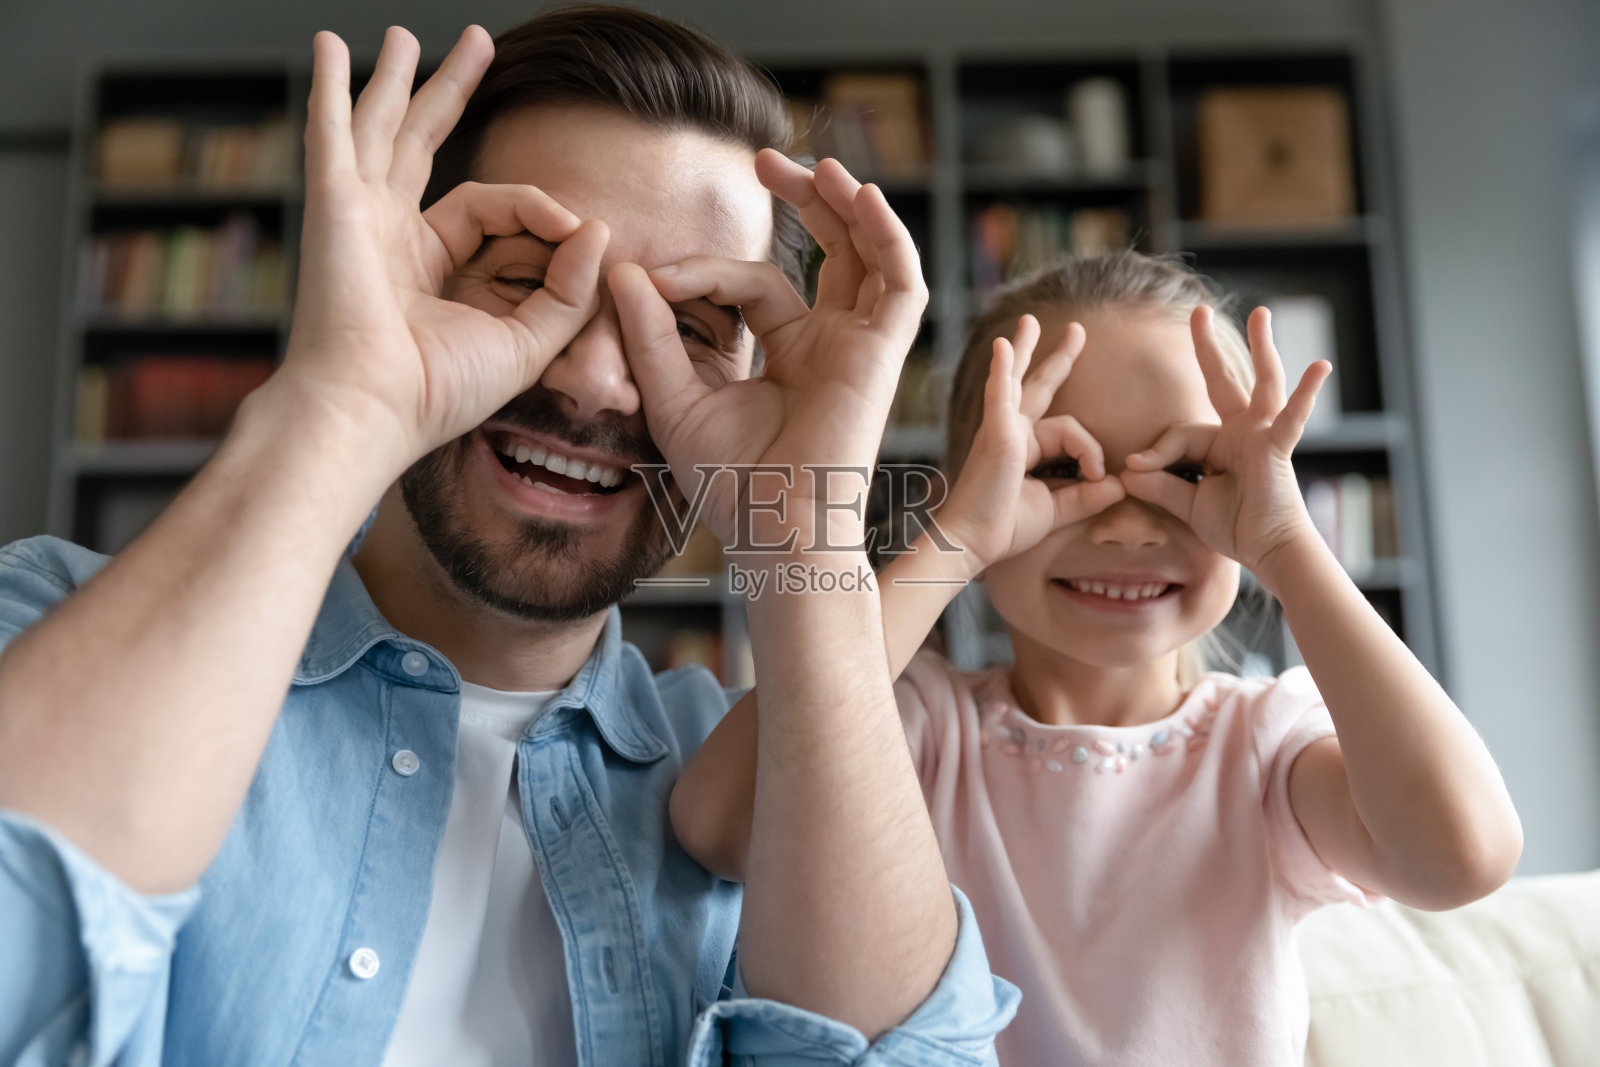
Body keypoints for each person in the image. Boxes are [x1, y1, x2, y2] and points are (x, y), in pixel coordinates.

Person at [0, 8, 1017, 1066]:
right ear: (405, 271)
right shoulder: (54, 623)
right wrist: (340, 404)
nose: (594, 377)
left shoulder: (751, 787)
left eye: (693, 330)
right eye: (528, 278)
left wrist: (800, 539)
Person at [670, 251, 1525, 1064]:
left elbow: (1464, 852)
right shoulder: (917, 724)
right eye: (1053, 466)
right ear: (972, 482)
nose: (1122, 524)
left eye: (1189, 470)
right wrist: (958, 540)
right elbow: (715, 823)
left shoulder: (1263, 748)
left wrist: (1285, 539)